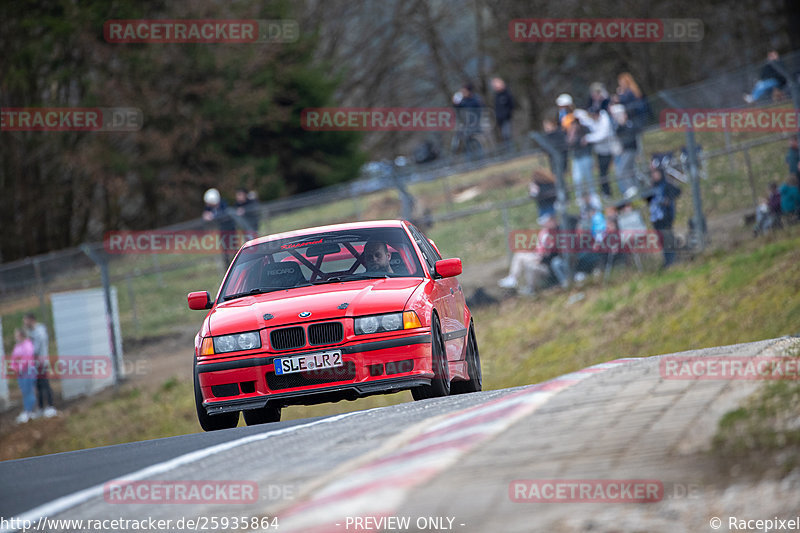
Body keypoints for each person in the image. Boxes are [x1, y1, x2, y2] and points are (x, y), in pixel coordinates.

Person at [498, 214, 567, 295]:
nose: (543, 224)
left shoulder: (559, 232)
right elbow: (539, 249)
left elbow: (553, 254)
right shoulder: (544, 232)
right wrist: (533, 254)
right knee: (519, 254)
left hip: (547, 266)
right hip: (539, 259)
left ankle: (531, 289)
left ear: (552, 221)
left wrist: (541, 259)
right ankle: (513, 278)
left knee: (530, 266)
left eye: (546, 222)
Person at [645, 166, 682, 268]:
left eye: (656, 173)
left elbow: (678, 191)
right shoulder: (651, 187)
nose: (654, 175)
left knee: (667, 238)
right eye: (653, 174)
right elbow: (647, 200)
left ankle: (672, 260)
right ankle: (668, 260)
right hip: (656, 218)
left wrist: (668, 199)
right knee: (662, 240)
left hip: (665, 216)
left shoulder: (666, 185)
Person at [579, 105, 617, 198]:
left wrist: (588, 138)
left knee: (607, 171)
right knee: (602, 172)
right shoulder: (593, 120)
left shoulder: (604, 120)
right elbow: (583, 118)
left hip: (609, 149)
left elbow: (602, 134)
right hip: (600, 150)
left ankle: (608, 192)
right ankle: (606, 192)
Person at [23, 312, 56, 418]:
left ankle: (50, 406)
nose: (24, 323)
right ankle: (41, 408)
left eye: (26, 320)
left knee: (44, 385)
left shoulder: (39, 332)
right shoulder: (31, 332)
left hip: (41, 363)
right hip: (34, 363)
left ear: (31, 320)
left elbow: (35, 349)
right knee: (38, 386)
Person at [610, 104, 640, 198]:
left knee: (622, 170)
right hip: (624, 151)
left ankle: (631, 188)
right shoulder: (619, 126)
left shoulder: (630, 124)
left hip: (631, 150)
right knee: (629, 169)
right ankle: (634, 187)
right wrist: (620, 124)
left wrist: (623, 123)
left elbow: (632, 135)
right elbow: (617, 133)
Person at [202, 188, 237, 265]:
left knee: (233, 247)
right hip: (222, 231)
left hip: (230, 229)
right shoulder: (210, 207)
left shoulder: (223, 204)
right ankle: (227, 266)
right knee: (225, 251)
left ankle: (236, 263)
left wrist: (213, 216)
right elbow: (206, 214)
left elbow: (224, 213)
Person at [566, 111, 595, 200]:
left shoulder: (586, 129)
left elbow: (589, 140)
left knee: (588, 177)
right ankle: (579, 196)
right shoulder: (572, 131)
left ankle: (592, 194)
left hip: (586, 155)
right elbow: (569, 143)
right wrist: (572, 133)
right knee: (577, 179)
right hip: (576, 157)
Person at [10, 328, 37, 424]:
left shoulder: (28, 345)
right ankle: (27, 411)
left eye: (16, 334)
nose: (15, 336)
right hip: (20, 373)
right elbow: (13, 358)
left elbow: (27, 358)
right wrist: (13, 367)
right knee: (24, 392)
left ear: (21, 335)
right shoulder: (17, 346)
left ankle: (30, 411)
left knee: (29, 391)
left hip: (28, 371)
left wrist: (19, 367)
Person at [453, 82, 485, 160]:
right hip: (467, 125)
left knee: (474, 142)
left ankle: (480, 158)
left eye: (464, 91)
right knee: (466, 142)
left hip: (475, 124)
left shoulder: (475, 100)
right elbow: (458, 110)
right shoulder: (463, 101)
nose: (462, 93)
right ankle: (469, 160)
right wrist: (455, 104)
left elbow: (480, 111)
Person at [491, 77, 515, 149]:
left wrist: (507, 114)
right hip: (499, 119)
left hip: (506, 118)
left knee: (507, 134)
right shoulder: (496, 96)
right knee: (504, 136)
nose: (495, 87)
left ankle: (511, 151)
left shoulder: (507, 93)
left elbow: (512, 105)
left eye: (496, 84)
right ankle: (508, 151)